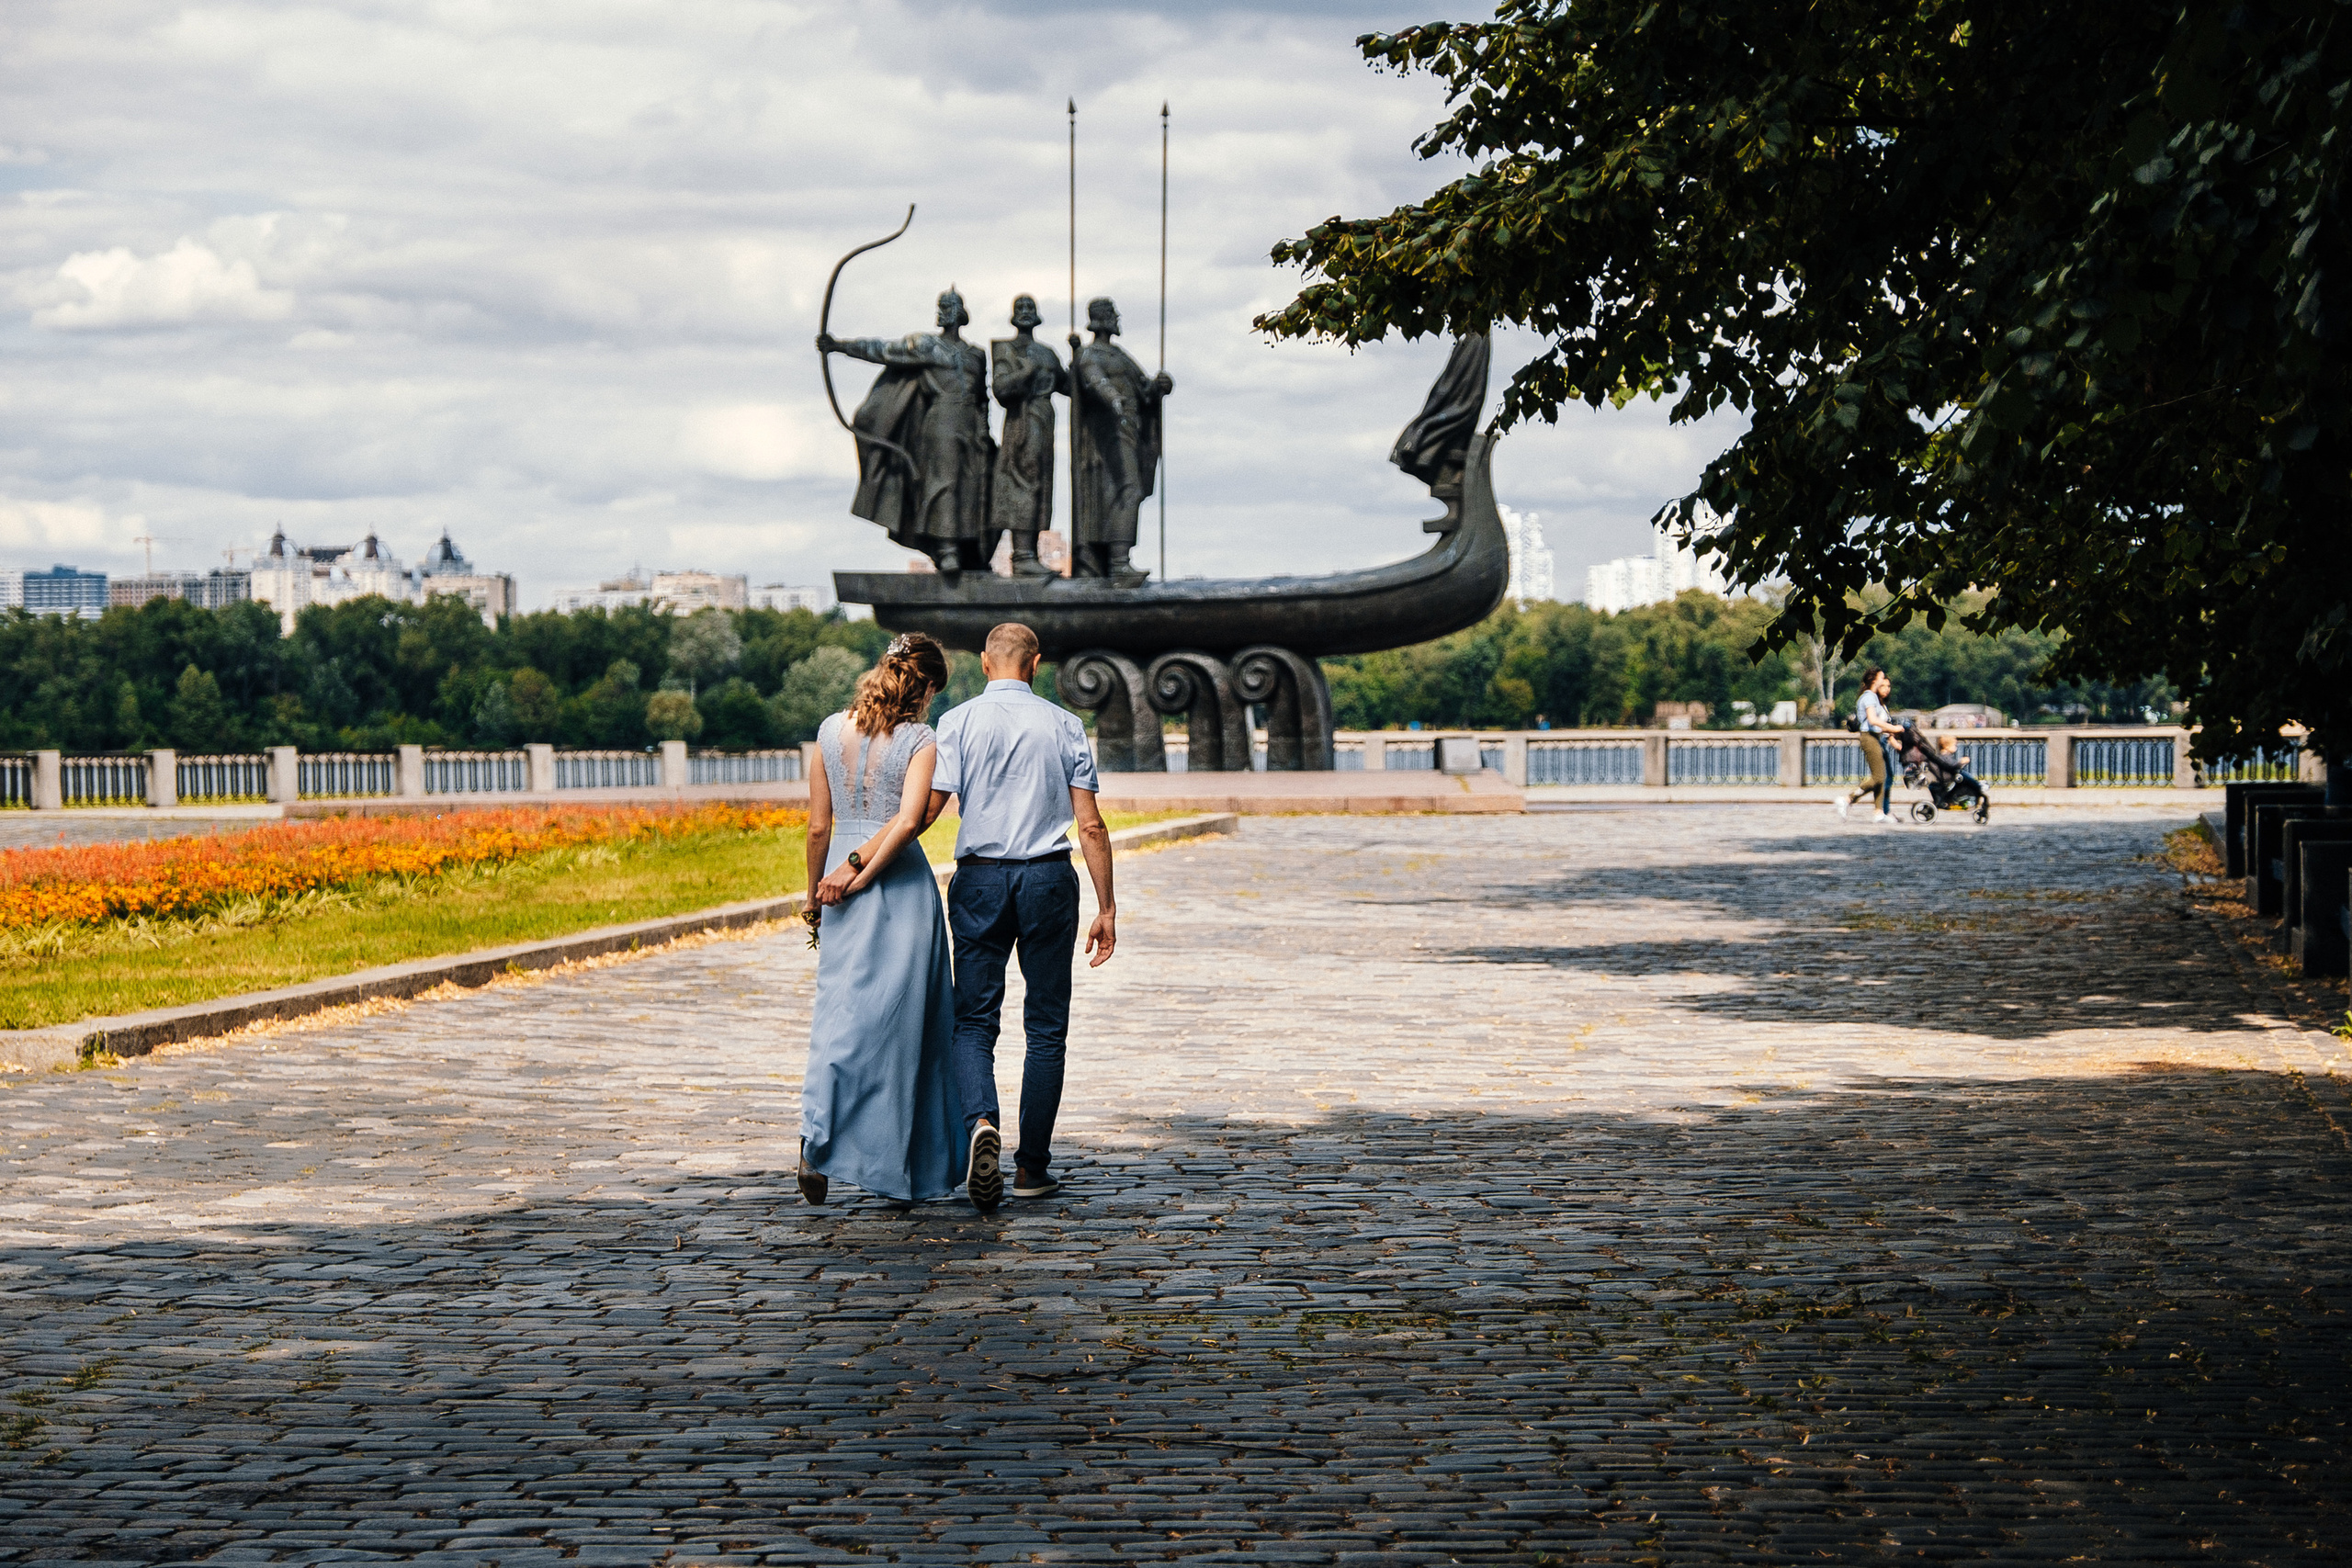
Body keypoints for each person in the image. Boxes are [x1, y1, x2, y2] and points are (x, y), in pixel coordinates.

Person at [930, 621, 1117, 1209]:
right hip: (1046, 879)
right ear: (1035, 665)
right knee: (1046, 1026)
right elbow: (1089, 824)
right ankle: (1032, 1168)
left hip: (980, 880)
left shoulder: (956, 722)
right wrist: (1107, 906)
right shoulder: (1063, 725)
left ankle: (980, 1121)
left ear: (986, 663)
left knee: (973, 1021)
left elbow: (930, 808)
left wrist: (868, 857)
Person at [797, 633, 961, 1207]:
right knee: (905, 1024)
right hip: (899, 885)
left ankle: (816, 1135)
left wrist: (817, 891)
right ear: (925, 688)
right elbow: (911, 820)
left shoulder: (826, 730)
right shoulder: (920, 739)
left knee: (840, 1014)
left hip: (838, 884)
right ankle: (895, 1162)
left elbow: (819, 826)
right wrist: (861, 872)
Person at [1837, 667, 1905, 825]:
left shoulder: (1872, 697)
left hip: (1875, 737)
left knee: (1882, 777)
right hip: (1869, 737)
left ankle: (1879, 812)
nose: (1884, 680)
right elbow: (1873, 720)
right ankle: (1848, 799)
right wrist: (1893, 729)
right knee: (1879, 777)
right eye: (1881, 678)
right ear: (1874, 679)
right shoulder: (1868, 697)